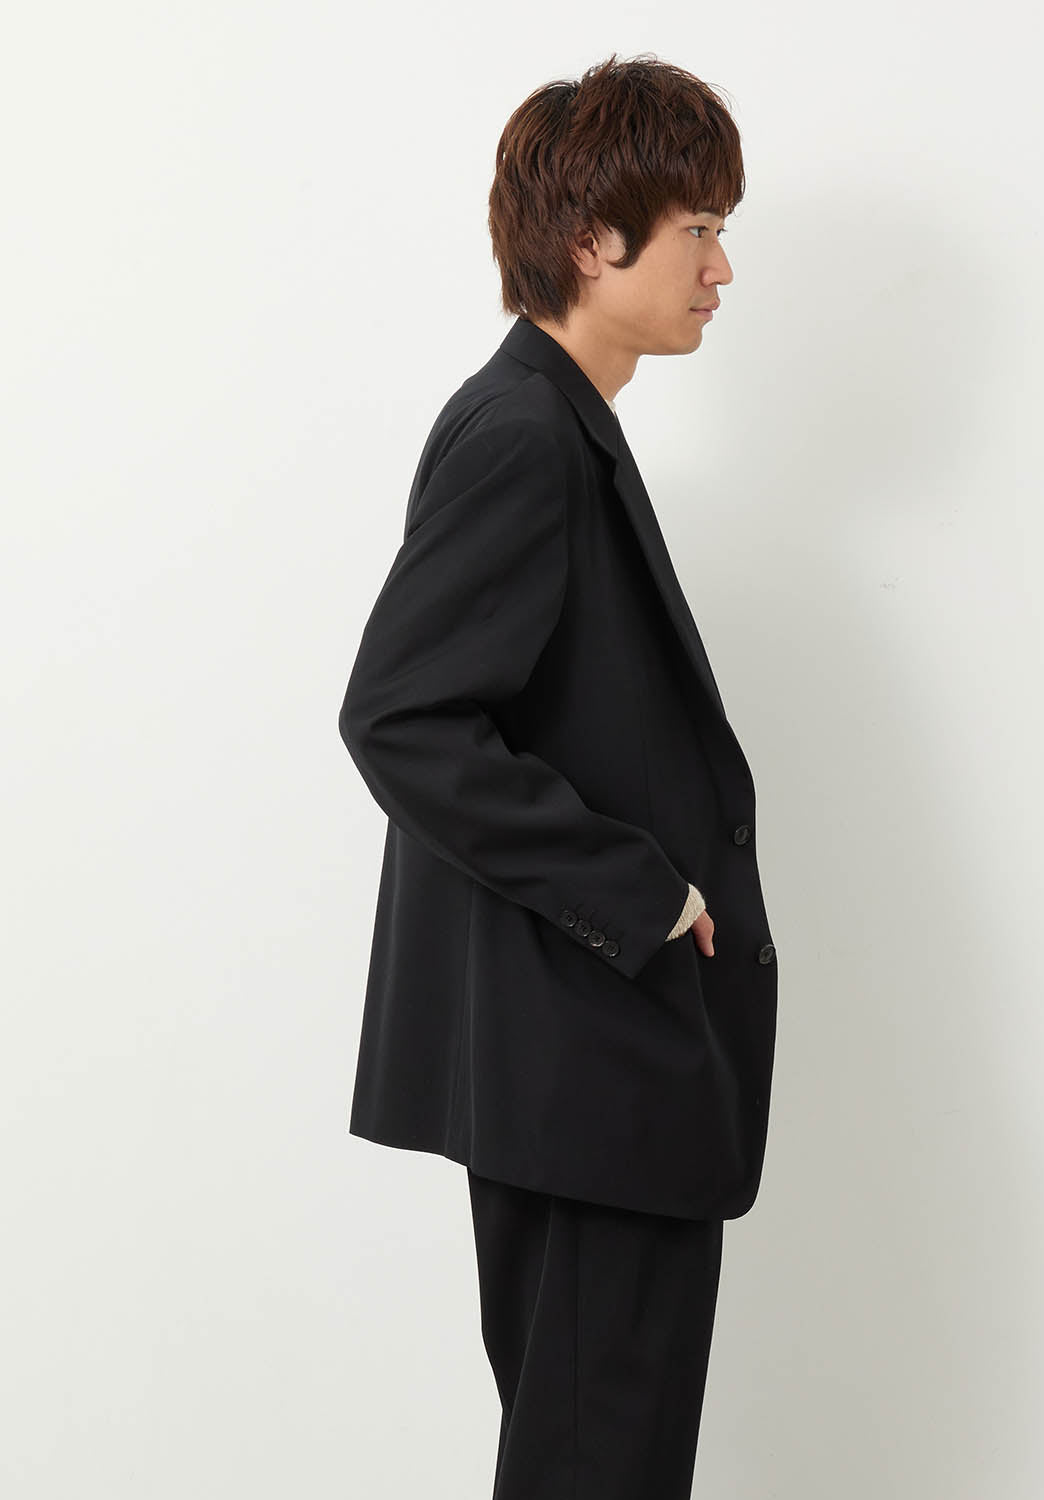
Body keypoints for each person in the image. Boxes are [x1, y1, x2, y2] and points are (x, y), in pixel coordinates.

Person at [337, 52, 778, 1500]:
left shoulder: (556, 423)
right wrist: (641, 893)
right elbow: (402, 715)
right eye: (698, 228)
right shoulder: (525, 433)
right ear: (594, 240)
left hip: (588, 1075)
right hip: (590, 1071)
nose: (720, 266)